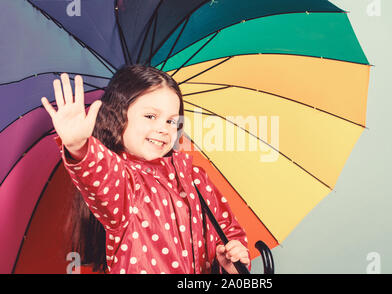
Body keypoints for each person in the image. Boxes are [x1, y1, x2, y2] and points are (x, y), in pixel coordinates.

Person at [41, 65, 250, 274]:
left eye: (171, 121)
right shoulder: (124, 183)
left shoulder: (197, 178)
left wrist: (233, 265)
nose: (163, 128)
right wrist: (79, 146)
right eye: (150, 116)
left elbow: (229, 232)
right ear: (117, 116)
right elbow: (100, 173)